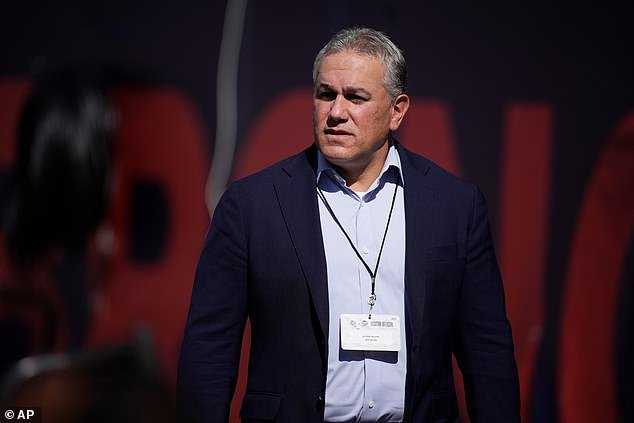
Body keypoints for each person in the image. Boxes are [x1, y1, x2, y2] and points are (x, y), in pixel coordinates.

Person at [178, 27, 520, 422]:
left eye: (355, 97)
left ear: (397, 111)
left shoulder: (455, 206)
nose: (336, 112)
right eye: (326, 94)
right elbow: (209, 349)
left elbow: (487, 351)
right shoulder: (251, 205)